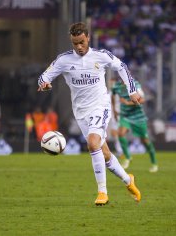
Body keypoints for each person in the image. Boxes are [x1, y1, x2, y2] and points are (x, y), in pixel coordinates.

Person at [38, 22, 141, 206]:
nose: (79, 47)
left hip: (100, 106)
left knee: (92, 144)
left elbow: (122, 67)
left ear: (88, 38)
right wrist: (44, 84)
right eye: (75, 43)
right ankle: (128, 180)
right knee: (104, 152)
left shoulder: (101, 56)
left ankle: (102, 193)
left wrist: (131, 90)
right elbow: (44, 77)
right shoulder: (64, 60)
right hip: (81, 112)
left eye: (82, 42)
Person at [111, 78, 158, 173]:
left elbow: (142, 100)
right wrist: (114, 110)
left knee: (145, 141)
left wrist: (127, 103)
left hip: (138, 117)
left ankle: (154, 163)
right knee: (120, 133)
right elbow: (113, 96)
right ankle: (128, 157)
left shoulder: (135, 84)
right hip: (125, 116)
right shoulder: (117, 86)